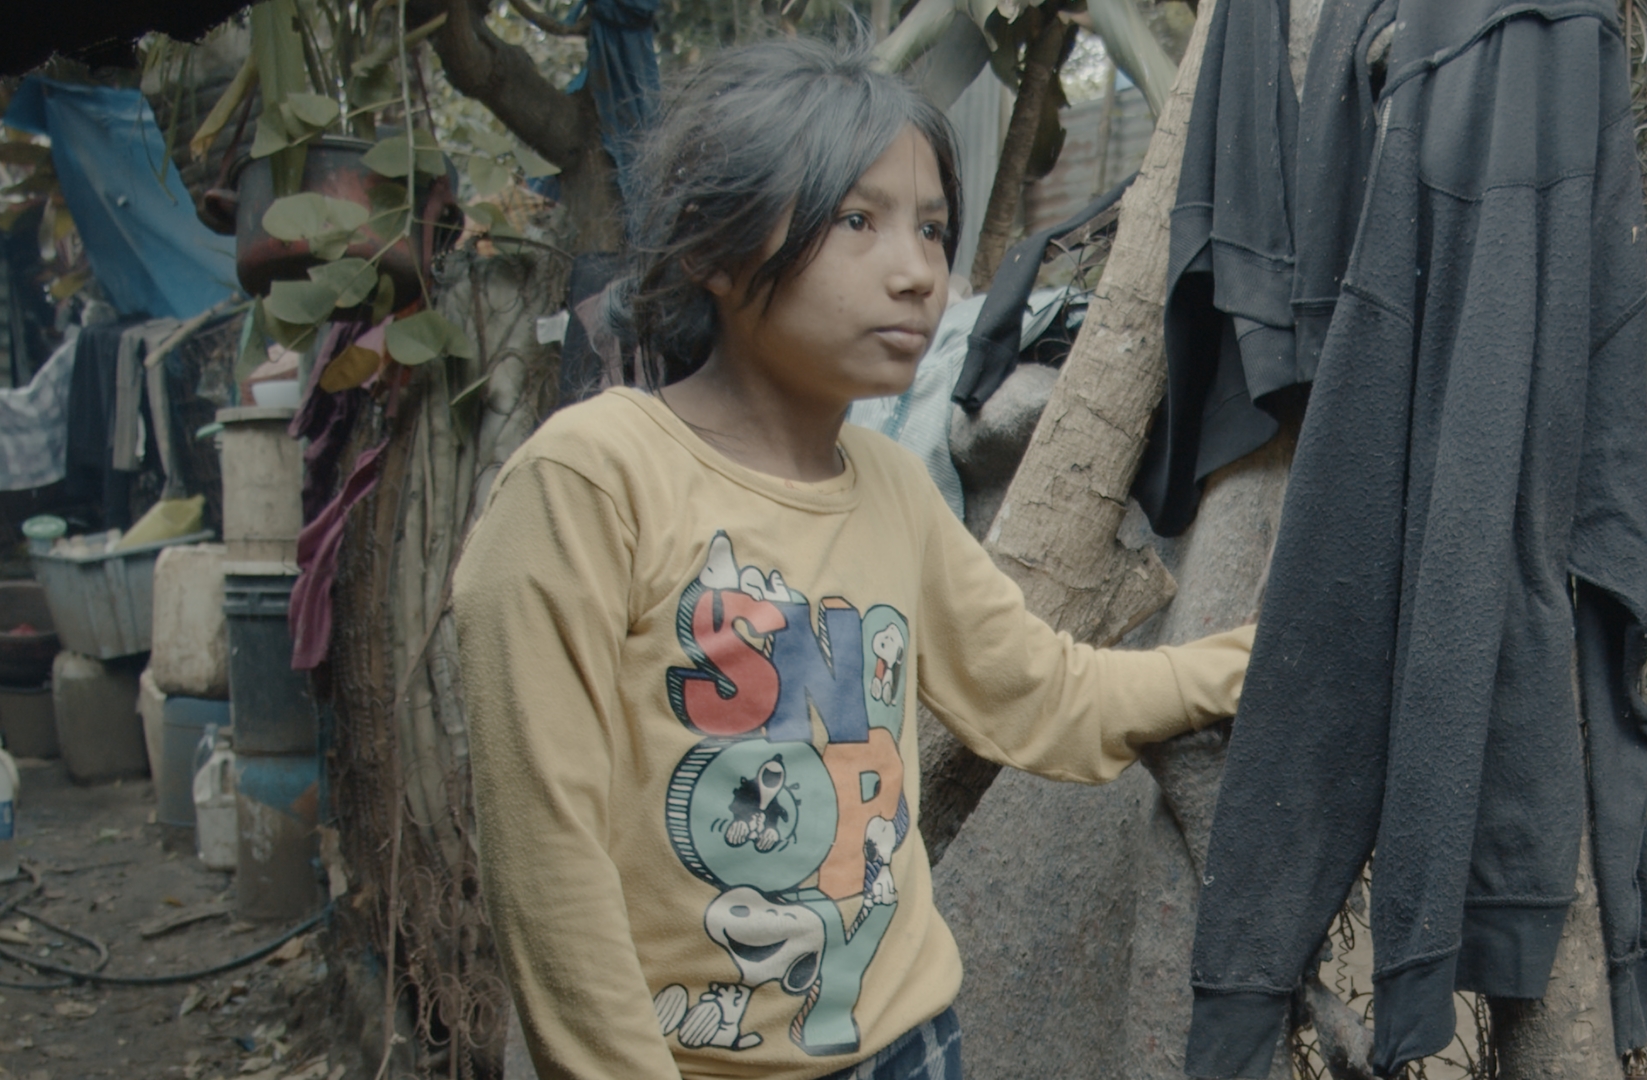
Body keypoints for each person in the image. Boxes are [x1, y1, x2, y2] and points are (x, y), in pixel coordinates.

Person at [452, 36, 1255, 1080]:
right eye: (857, 220)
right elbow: (547, 861)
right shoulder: (591, 483)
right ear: (712, 244)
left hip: (909, 1047)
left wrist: (1252, 662)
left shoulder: (888, 489)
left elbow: (1046, 691)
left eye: (930, 228)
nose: (919, 271)